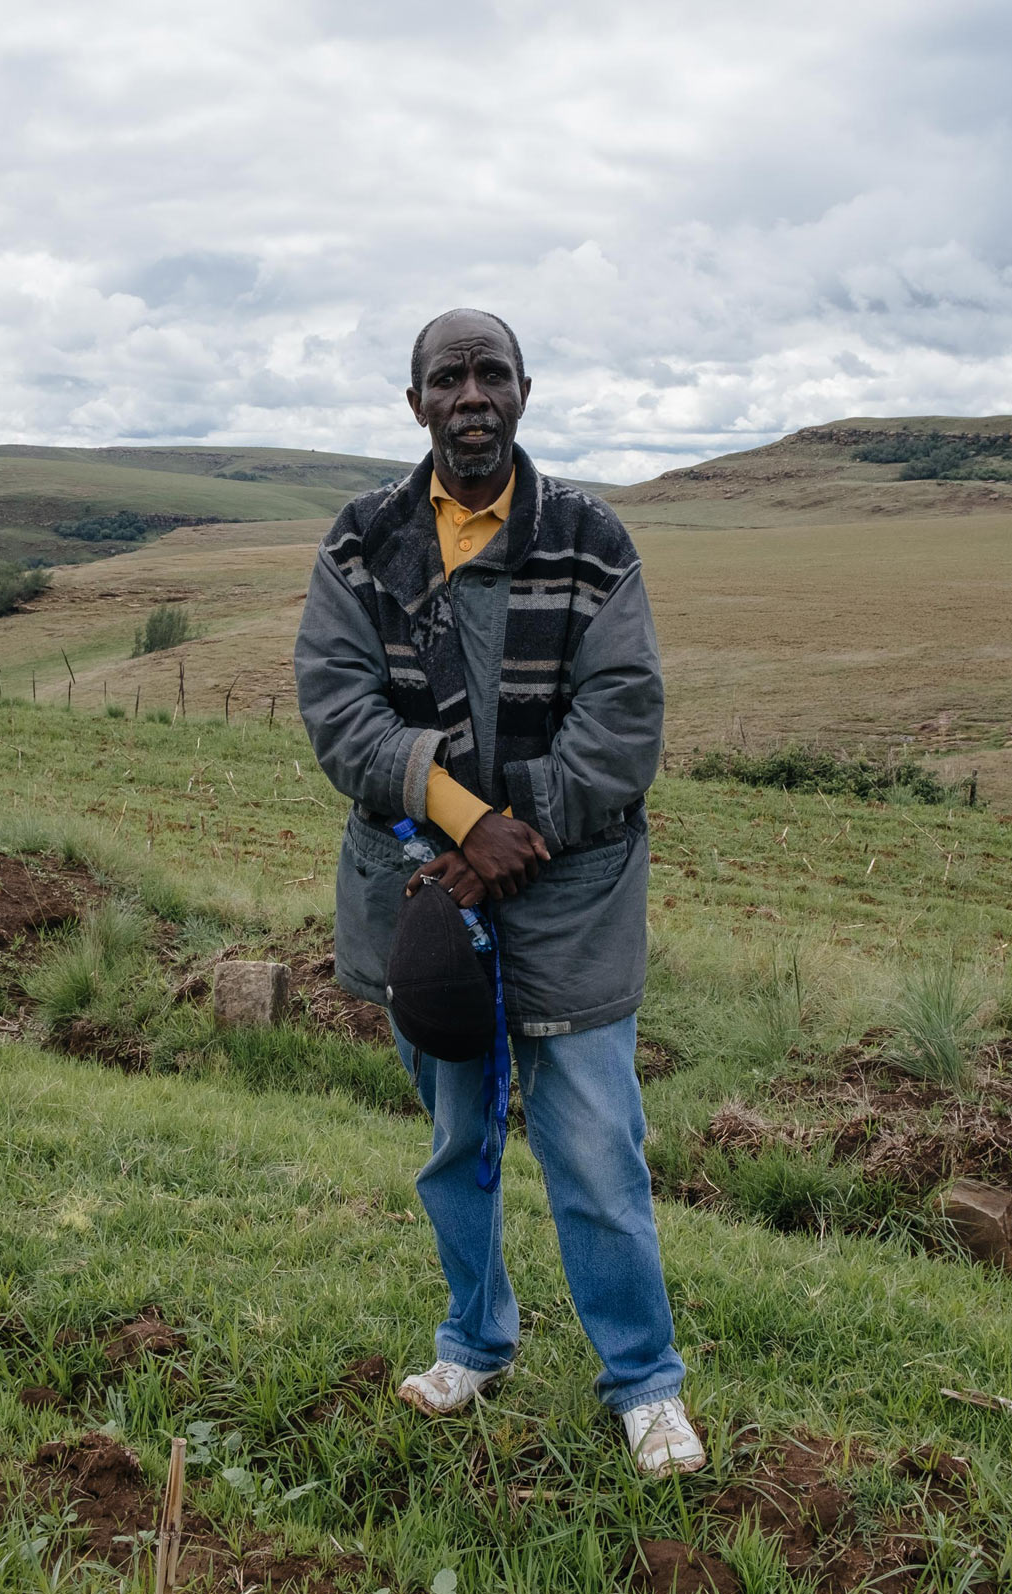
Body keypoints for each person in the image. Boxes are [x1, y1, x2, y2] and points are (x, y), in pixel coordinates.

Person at [292, 309, 702, 1476]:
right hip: (424, 892)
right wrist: (471, 828)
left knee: (597, 1150)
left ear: (525, 391)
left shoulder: (589, 537)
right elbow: (340, 707)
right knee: (456, 1136)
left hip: (571, 891)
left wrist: (521, 830)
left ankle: (645, 1383)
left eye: (490, 374)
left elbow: (624, 718)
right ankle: (475, 1340)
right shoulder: (362, 540)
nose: (470, 394)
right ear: (413, 403)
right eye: (446, 378)